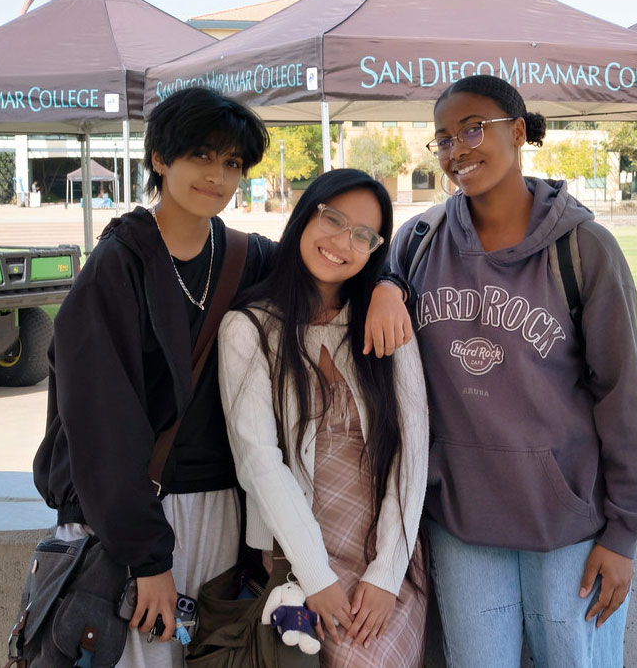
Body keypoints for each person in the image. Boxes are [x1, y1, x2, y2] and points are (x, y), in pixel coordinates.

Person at [33, 88, 410, 668]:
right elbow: (100, 431)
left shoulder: (242, 256)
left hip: (222, 513)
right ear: (160, 158)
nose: (217, 175)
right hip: (138, 517)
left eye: (232, 162)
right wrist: (148, 560)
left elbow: (333, 261)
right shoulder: (115, 269)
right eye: (202, 156)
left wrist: (390, 286)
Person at [387, 75, 637, 668]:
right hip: (463, 522)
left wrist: (623, 534)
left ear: (518, 132)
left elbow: (623, 397)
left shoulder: (584, 249)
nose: (458, 149)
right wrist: (386, 284)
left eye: (473, 129)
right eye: (443, 139)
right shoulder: (417, 242)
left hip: (568, 523)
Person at [218, 169, 429, 668]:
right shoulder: (250, 328)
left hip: (386, 554)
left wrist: (386, 574)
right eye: (332, 219)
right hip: (301, 557)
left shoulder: (382, 321)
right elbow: (258, 462)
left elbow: (414, 448)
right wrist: (317, 576)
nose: (342, 242)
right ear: (305, 214)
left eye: (362, 235)